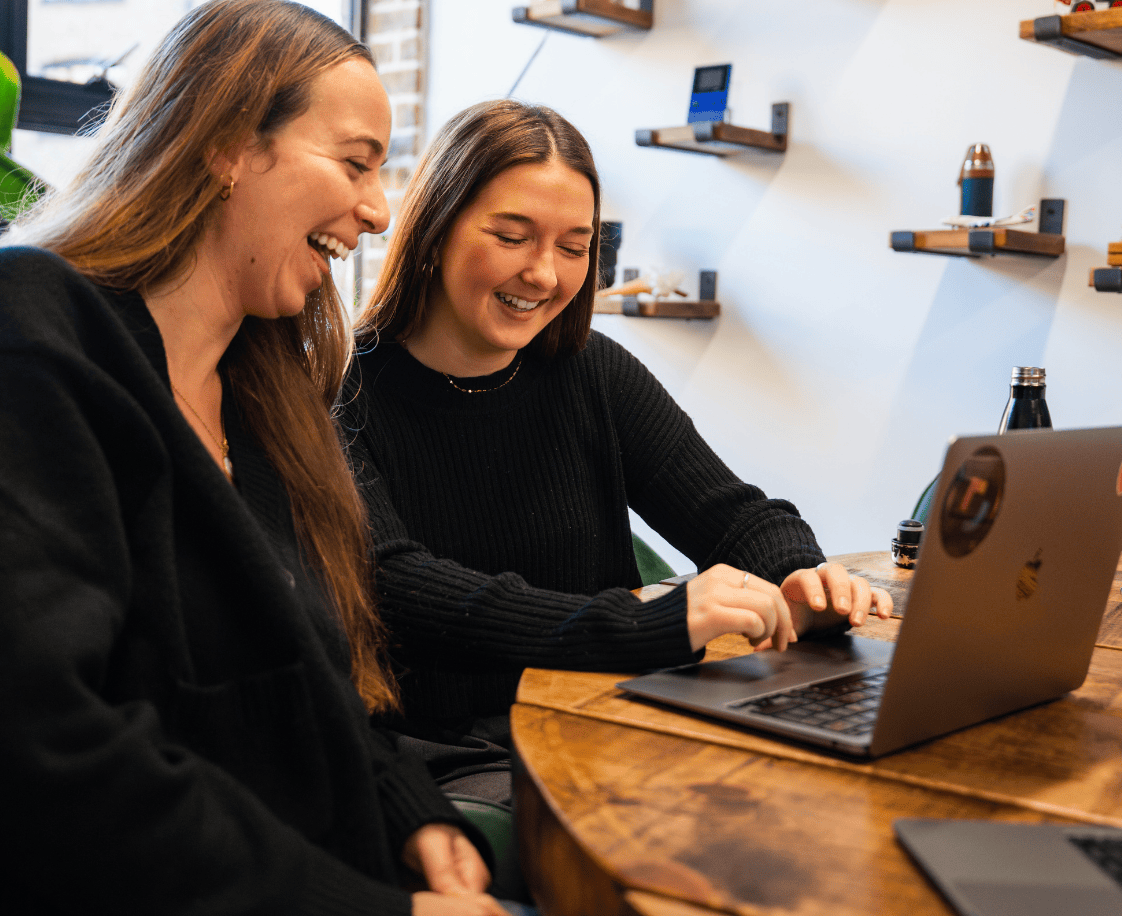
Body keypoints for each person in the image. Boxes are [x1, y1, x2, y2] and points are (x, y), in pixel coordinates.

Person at [0, 0, 510, 916]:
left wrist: (412, 813)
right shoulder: (16, 330)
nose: (381, 212)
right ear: (229, 143)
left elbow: (301, 685)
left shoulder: (261, 393)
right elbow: (25, 747)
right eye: (355, 163)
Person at [341, 99, 893, 804]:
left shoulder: (591, 371)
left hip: (601, 715)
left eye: (574, 248)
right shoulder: (343, 389)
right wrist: (646, 625)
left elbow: (734, 517)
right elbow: (400, 588)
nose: (544, 275)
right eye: (513, 237)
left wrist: (804, 577)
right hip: (450, 752)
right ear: (434, 229)